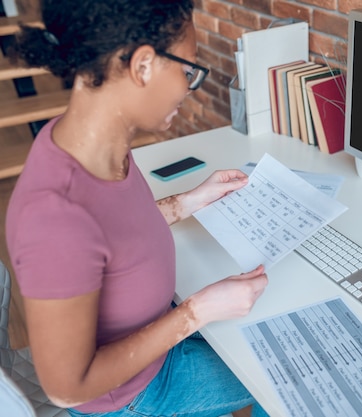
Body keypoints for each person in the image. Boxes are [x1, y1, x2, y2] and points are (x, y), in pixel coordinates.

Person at [5, 1, 270, 416]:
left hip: (155, 336)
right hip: (131, 395)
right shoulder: (53, 218)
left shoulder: (91, 142)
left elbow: (112, 232)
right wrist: (195, 312)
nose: (187, 87)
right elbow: (67, 388)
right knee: (282, 379)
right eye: (188, 70)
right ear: (143, 66)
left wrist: (187, 201)